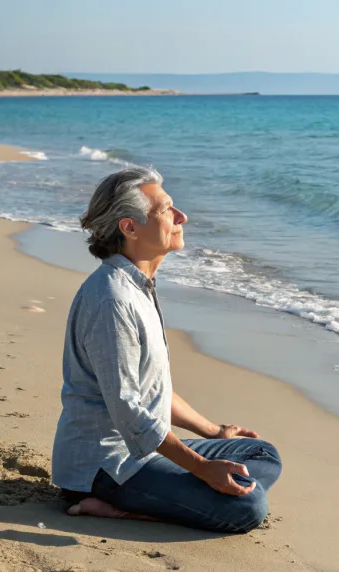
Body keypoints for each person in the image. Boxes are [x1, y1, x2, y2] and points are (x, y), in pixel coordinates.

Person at [51, 167, 282, 533]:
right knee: (248, 509)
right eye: (167, 210)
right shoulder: (112, 299)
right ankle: (117, 509)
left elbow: (150, 389)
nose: (181, 217)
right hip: (105, 467)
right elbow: (128, 409)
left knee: (261, 454)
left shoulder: (138, 286)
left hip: (141, 451)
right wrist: (201, 468)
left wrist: (215, 432)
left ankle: (187, 492)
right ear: (129, 227)